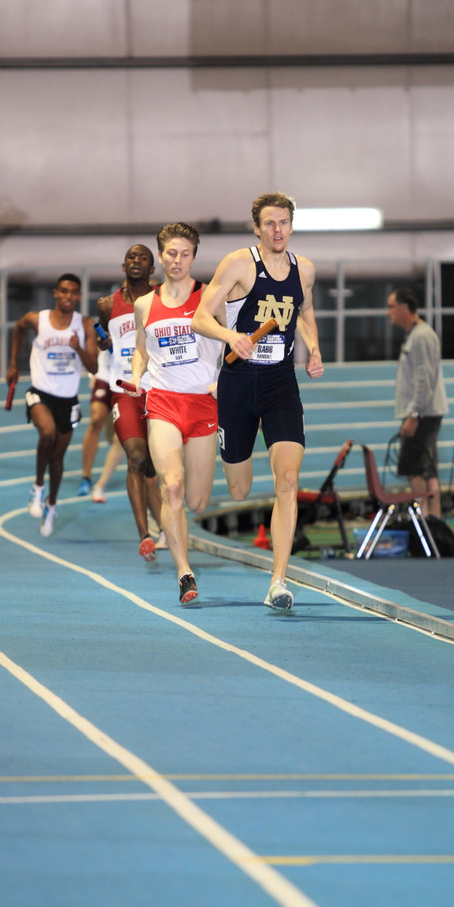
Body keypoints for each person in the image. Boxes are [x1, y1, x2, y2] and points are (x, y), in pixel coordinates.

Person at [191, 191, 324, 611]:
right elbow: (200, 316)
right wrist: (232, 337)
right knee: (239, 489)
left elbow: (304, 312)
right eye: (269, 223)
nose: (278, 230)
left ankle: (279, 582)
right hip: (237, 381)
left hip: (280, 382)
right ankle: (228, 457)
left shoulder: (305, 270)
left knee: (288, 480)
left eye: (283, 222)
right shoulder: (239, 264)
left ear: (291, 225)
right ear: (257, 228)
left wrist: (314, 349)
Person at [130, 223, 222, 603]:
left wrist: (222, 378)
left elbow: (232, 341)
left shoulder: (211, 298)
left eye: (185, 254)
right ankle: (185, 572)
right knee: (172, 486)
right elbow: (141, 349)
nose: (178, 260)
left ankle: (180, 531)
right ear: (161, 255)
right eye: (171, 253)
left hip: (203, 403)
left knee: (197, 501)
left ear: (194, 257)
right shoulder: (144, 305)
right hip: (163, 401)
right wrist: (136, 377)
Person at [6, 273, 98, 537]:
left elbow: (93, 366)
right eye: (64, 291)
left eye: (74, 292)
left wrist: (79, 349)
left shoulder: (85, 325)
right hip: (40, 393)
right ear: (56, 293)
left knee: (57, 458)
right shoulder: (38, 319)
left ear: (79, 296)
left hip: (67, 400)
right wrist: (13, 363)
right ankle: (37, 488)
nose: (68, 296)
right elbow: (19, 328)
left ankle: (52, 505)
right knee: (46, 433)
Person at [96, 243, 166, 562]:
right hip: (124, 390)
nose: (136, 261)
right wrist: (105, 344)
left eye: (143, 258)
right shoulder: (106, 304)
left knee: (156, 465)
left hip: (161, 390)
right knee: (136, 457)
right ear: (123, 266)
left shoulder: (163, 297)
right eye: (131, 257)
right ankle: (144, 535)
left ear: (152, 269)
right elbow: (105, 344)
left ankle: (164, 524)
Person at [386, 287, 448, 518]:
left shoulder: (422, 335)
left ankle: (428, 520)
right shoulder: (415, 334)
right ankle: (430, 518)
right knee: (422, 466)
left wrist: (414, 415)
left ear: (405, 308)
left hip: (423, 414)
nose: (388, 312)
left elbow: (425, 377)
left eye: (392, 306)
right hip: (422, 412)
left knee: (419, 466)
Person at [76, 348, 114, 496]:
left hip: (129, 375)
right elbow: (95, 343)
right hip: (105, 375)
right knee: (96, 420)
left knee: (119, 440)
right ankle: (86, 477)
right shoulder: (101, 324)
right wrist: (94, 372)